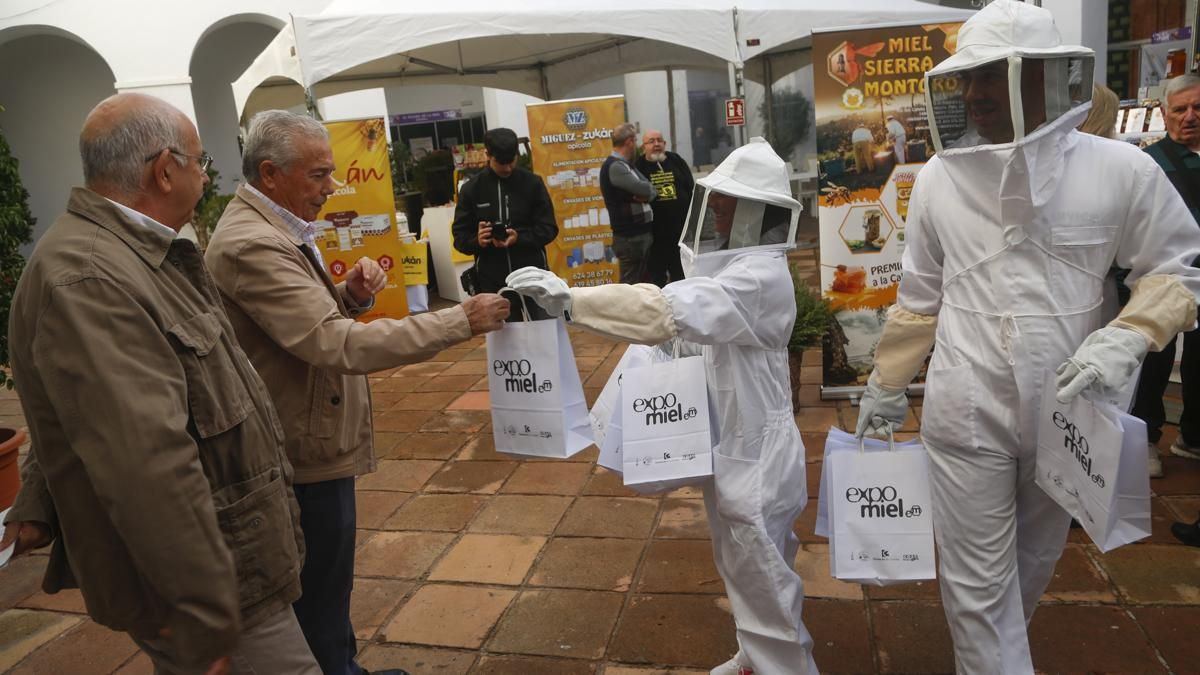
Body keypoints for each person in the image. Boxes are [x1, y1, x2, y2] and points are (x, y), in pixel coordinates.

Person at [854, 3, 1200, 673]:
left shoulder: (1119, 170)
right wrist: (887, 381)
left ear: (1049, 76)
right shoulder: (938, 178)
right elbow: (920, 296)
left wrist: (1129, 335)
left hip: (1070, 408)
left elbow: (1177, 267)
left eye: (995, 77)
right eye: (970, 79)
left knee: (1028, 568)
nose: (978, 95)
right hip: (965, 404)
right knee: (975, 583)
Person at [0, 93, 320, 674]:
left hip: (224, 557)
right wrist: (202, 611)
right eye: (199, 162)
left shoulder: (131, 253)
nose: (205, 176)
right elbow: (143, 459)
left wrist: (36, 503)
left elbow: (85, 412)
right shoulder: (93, 278)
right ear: (163, 169)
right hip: (216, 578)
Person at [205, 110, 510, 675]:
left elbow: (298, 328)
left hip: (309, 434)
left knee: (328, 585)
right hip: (298, 447)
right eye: (319, 175)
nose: (331, 188)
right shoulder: (253, 243)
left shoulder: (273, 227)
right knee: (317, 591)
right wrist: (457, 321)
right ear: (270, 173)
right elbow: (334, 344)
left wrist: (348, 295)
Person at [507, 138, 817, 675]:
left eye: (730, 198)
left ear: (759, 211)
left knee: (764, 575)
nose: (717, 205)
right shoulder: (732, 268)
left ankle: (785, 667)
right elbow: (689, 330)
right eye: (716, 195)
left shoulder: (759, 277)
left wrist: (573, 299)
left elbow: (664, 310)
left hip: (757, 458)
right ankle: (753, 659)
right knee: (744, 567)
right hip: (734, 446)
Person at [1131, 73, 1200, 479]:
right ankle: (1146, 439)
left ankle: (1192, 435)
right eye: (1180, 109)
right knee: (1155, 356)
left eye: (1197, 108)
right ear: (1163, 113)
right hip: (1163, 275)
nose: (1189, 116)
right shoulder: (1148, 163)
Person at [452, 127, 558, 321]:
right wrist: (478, 241)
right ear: (487, 154)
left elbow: (549, 228)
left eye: (511, 161)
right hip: (493, 282)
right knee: (505, 344)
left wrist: (520, 238)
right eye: (501, 163)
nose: (507, 168)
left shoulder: (532, 184)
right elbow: (460, 239)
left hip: (534, 277)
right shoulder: (471, 190)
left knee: (545, 339)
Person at [635, 129, 695, 286]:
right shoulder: (638, 166)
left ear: (664, 143)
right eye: (651, 141)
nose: (656, 144)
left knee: (681, 276)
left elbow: (690, 186)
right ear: (643, 147)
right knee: (657, 279)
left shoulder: (676, 160)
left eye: (659, 141)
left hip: (679, 232)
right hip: (654, 235)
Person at [601, 122, 657, 284]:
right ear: (629, 141)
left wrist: (647, 192)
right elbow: (646, 189)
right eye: (636, 140)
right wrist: (647, 192)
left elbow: (649, 188)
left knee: (638, 281)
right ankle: (624, 310)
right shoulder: (616, 166)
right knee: (630, 285)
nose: (636, 145)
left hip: (636, 236)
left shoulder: (625, 165)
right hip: (630, 238)